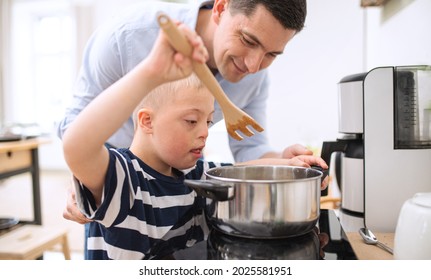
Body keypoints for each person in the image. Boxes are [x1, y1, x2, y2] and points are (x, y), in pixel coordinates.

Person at [62, 26, 327, 259]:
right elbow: (77, 146)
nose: (204, 133)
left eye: (209, 122)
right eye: (191, 121)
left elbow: (242, 172)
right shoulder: (124, 180)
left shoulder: (194, 173)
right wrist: (149, 73)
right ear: (147, 121)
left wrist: (287, 162)